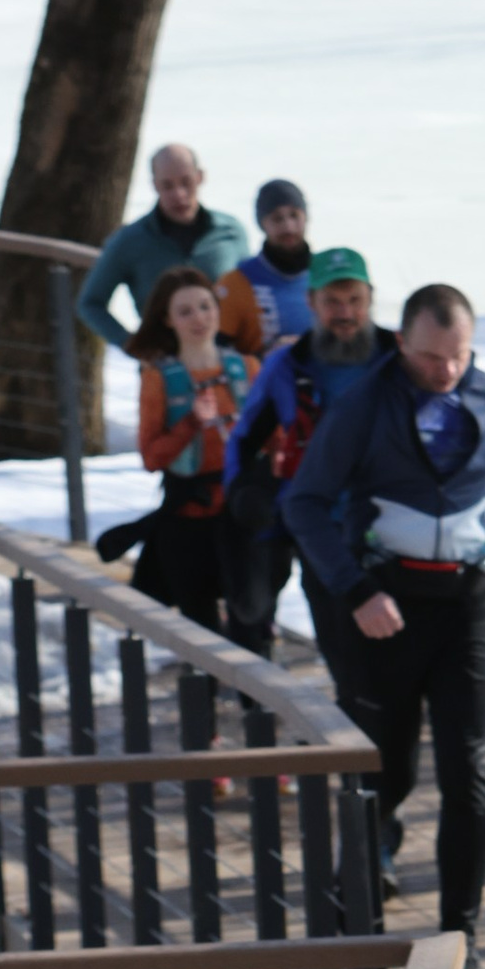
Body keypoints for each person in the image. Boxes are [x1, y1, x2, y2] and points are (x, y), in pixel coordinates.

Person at [282, 282, 485, 969]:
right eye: (431, 358)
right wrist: (355, 590)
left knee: (468, 772)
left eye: (458, 357)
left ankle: (463, 941)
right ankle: (354, 912)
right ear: (401, 343)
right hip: (385, 601)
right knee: (385, 771)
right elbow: (302, 503)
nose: (446, 372)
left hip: (465, 600)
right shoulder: (363, 405)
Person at [222, 247, 384, 667]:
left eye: (354, 300)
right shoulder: (286, 366)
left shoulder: (396, 359)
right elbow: (244, 439)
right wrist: (242, 494)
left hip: (391, 528)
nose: (344, 312)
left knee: (396, 655)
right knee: (342, 652)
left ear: (370, 300)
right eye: (332, 301)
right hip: (320, 530)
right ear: (311, 303)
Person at [116, 269, 255, 632]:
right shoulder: (158, 378)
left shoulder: (247, 369)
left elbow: (274, 443)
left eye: (206, 307)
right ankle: (204, 689)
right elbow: (151, 457)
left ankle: (252, 688)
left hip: (242, 518)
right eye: (185, 311)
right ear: (167, 319)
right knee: (201, 632)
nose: (199, 319)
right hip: (188, 520)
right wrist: (190, 423)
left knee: (251, 624)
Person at [74, 145, 246, 358]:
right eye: (167, 185)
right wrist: (132, 345)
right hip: (162, 368)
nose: (179, 194)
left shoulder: (231, 232)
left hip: (226, 365)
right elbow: (90, 303)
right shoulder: (128, 240)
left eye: (186, 182)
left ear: (200, 177)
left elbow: (250, 295)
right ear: (154, 185)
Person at [216, 180, 317, 357]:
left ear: (306, 217)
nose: (288, 227)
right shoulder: (237, 282)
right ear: (263, 224)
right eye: (277, 218)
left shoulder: (326, 274)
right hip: (263, 381)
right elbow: (214, 354)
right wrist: (265, 356)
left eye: (294, 215)